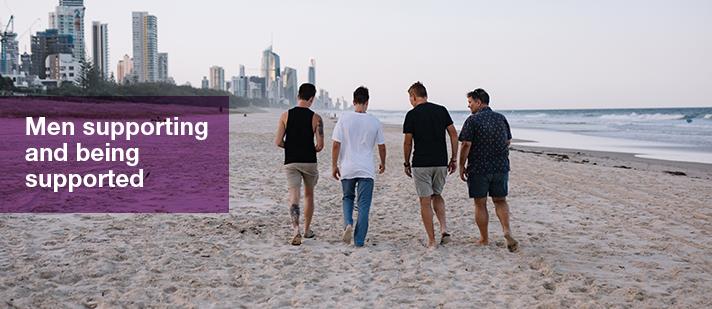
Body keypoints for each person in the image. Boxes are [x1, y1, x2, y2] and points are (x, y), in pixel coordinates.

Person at [458, 88, 519, 252]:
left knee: (480, 203)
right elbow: (508, 141)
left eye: (470, 102)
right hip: (500, 167)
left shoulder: (472, 120)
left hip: (479, 168)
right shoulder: (501, 118)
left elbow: (465, 144)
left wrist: (461, 165)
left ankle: (484, 238)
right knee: (500, 200)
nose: (469, 106)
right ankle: (506, 230)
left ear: (479, 102)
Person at [402, 81, 458, 248]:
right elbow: (454, 135)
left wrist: (406, 162)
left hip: (421, 163)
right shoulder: (441, 110)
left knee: (425, 201)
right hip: (440, 162)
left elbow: (407, 142)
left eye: (409, 98)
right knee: (437, 195)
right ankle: (444, 228)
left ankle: (432, 241)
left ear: (413, 97)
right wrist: (454, 158)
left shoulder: (411, 115)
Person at [331, 86, 386, 247]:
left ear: (353, 101)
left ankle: (348, 223)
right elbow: (381, 146)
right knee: (363, 205)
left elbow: (336, 144)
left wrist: (334, 165)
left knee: (347, 198)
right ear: (367, 102)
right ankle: (360, 240)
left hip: (347, 167)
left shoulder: (344, 118)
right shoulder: (374, 121)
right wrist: (383, 162)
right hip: (366, 169)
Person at [274, 83, 325, 246]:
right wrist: (309, 149)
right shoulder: (316, 118)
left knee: (293, 195)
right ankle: (307, 229)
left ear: (298, 96)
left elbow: (278, 142)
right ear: (312, 99)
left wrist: (289, 147)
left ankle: (295, 230)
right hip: (309, 161)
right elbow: (320, 145)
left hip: (291, 161)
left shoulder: (285, 116)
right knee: (309, 195)